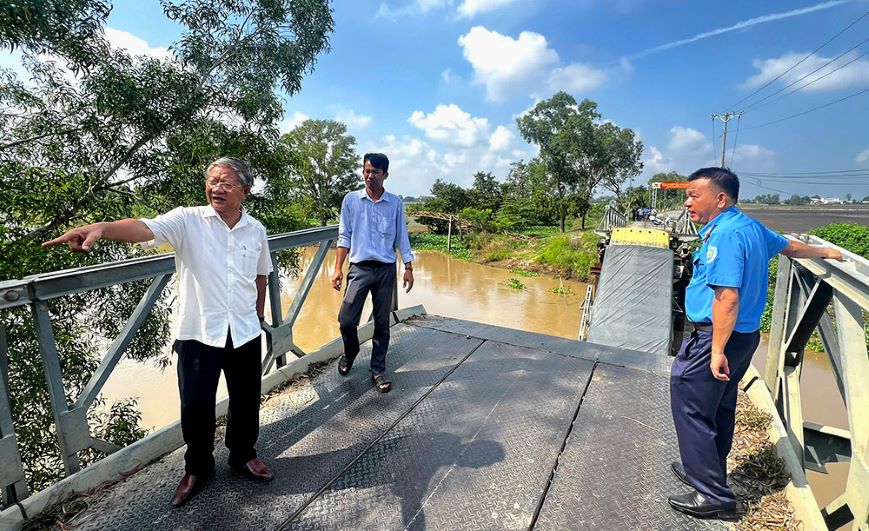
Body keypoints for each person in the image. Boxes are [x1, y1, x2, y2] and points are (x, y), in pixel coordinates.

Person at [43, 157, 275, 508]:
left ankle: (243, 455)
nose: (216, 188)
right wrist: (103, 228)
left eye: (226, 183)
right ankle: (198, 467)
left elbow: (261, 273)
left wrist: (257, 312)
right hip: (199, 332)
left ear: (245, 191)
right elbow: (143, 228)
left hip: (243, 330)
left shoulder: (256, 229)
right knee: (195, 407)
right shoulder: (187, 220)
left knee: (246, 400)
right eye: (212, 181)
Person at [668, 167, 843, 519]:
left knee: (690, 401)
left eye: (693, 195)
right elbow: (790, 247)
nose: (687, 202)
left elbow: (727, 298)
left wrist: (715, 350)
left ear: (720, 198)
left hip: (716, 337)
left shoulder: (726, 236)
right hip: (744, 337)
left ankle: (714, 496)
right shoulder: (749, 227)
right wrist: (825, 253)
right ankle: (707, 471)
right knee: (718, 406)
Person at [331, 152, 414, 393]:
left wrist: (408, 267)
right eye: (366, 171)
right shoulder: (351, 200)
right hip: (359, 268)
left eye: (375, 172)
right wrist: (337, 268)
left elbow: (401, 236)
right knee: (347, 319)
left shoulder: (395, 203)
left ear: (385, 175)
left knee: (381, 323)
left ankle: (377, 369)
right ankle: (351, 351)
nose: (369, 176)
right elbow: (344, 236)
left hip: (385, 269)